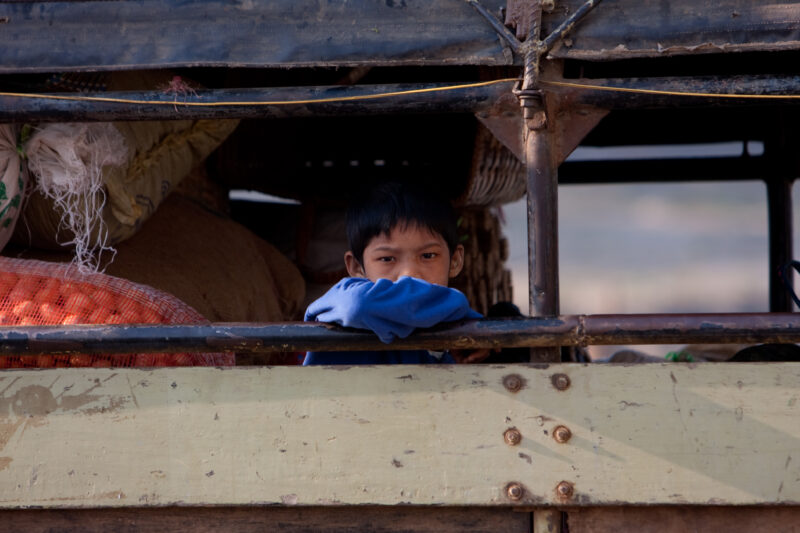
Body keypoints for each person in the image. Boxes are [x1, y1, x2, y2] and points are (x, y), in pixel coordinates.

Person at [303, 181, 489, 365]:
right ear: (356, 267)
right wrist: (460, 311)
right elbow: (358, 306)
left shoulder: (452, 333)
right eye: (387, 259)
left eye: (428, 255)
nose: (409, 275)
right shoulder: (344, 298)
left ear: (455, 261)